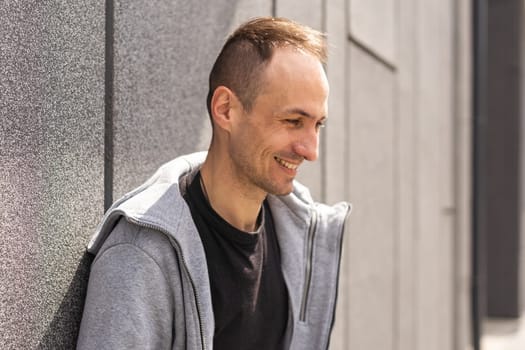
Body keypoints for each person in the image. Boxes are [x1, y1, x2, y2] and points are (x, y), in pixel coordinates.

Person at [77, 17, 351, 350]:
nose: (311, 150)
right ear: (226, 110)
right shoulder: (141, 255)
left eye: (317, 125)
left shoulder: (298, 233)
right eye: (293, 121)